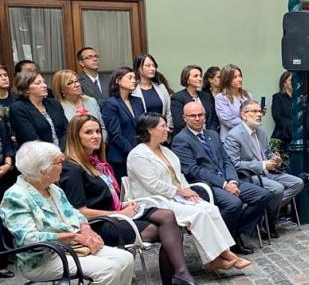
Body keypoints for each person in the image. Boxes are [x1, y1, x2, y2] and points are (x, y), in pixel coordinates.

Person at [59, 115, 198, 285]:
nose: (96, 136)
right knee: (169, 228)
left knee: (168, 217)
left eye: (98, 131)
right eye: (88, 132)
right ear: (76, 136)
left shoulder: (96, 162)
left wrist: (124, 204)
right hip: (100, 225)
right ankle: (180, 277)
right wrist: (118, 212)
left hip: (117, 215)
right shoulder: (72, 169)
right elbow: (80, 212)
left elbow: (105, 198)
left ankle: (180, 276)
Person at [127, 113, 250, 271]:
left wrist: (189, 191)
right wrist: (180, 191)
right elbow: (152, 184)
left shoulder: (166, 151)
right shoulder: (138, 155)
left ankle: (223, 254)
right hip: (154, 201)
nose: (168, 129)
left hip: (175, 197)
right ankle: (218, 258)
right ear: (150, 130)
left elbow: (180, 176)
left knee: (210, 209)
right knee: (198, 214)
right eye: (163, 126)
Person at [0, 141, 134, 285]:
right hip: (42, 258)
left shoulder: (52, 188)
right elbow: (29, 238)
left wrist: (86, 229)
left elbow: (75, 214)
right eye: (59, 162)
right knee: (108, 270)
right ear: (43, 171)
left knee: (126, 259)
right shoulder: (15, 196)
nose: (62, 166)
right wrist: (75, 236)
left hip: (72, 248)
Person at [173, 102, 271, 254]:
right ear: (184, 118)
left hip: (228, 180)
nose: (198, 118)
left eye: (201, 115)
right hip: (206, 185)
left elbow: (227, 160)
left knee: (262, 195)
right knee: (234, 204)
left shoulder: (212, 134)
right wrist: (224, 184)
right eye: (193, 116)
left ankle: (239, 232)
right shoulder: (181, 140)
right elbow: (193, 170)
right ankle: (226, 244)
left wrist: (232, 180)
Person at [224, 100, 304, 239]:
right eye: (254, 111)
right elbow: (234, 164)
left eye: (260, 111)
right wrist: (262, 165)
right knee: (278, 189)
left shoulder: (261, 132)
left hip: (269, 173)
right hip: (249, 176)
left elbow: (267, 153)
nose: (259, 114)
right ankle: (270, 222)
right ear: (243, 115)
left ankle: (263, 215)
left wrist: (275, 159)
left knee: (298, 182)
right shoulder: (234, 135)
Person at [101, 67, 145, 181]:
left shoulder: (137, 101)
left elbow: (143, 126)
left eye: (134, 78)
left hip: (140, 153)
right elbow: (115, 135)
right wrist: (133, 152)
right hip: (120, 157)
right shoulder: (110, 104)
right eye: (130, 78)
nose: (134, 81)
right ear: (118, 81)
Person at [9, 70, 68, 149]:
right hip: (37, 155)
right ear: (26, 89)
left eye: (44, 82)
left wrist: (62, 150)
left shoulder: (54, 103)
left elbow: (67, 130)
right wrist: (54, 155)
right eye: (38, 83)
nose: (44, 85)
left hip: (64, 151)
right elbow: (30, 138)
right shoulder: (18, 108)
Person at [52, 69, 106, 139]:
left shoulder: (91, 101)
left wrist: (103, 144)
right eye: (70, 83)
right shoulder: (58, 107)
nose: (77, 85)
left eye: (76, 81)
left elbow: (102, 127)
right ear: (61, 89)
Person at [171, 65, 219, 135]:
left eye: (200, 76)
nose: (199, 79)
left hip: (208, 136)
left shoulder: (206, 96)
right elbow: (179, 123)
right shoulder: (178, 97)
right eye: (195, 76)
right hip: (188, 137)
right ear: (187, 79)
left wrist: (209, 133)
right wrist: (196, 134)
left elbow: (214, 118)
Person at [132, 53, 174, 133]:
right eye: (148, 66)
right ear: (139, 69)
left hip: (163, 132)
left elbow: (169, 111)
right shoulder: (133, 90)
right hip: (143, 134)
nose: (152, 68)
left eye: (153, 65)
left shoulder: (161, 87)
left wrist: (168, 128)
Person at [215, 64, 252, 141]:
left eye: (240, 76)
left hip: (249, 138)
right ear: (227, 79)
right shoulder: (221, 98)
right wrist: (250, 122)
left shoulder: (248, 95)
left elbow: (253, 113)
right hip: (231, 139)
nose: (239, 79)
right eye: (235, 77)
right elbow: (229, 121)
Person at [0, 116, 15, 279]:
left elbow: (7, 141)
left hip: (4, 173)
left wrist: (8, 161)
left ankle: (2, 262)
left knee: (3, 217)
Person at [271, 71, 293, 147]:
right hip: (282, 136)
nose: (293, 82)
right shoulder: (277, 97)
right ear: (284, 83)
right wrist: (291, 126)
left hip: (299, 136)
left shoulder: (300, 98)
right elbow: (277, 116)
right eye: (290, 80)